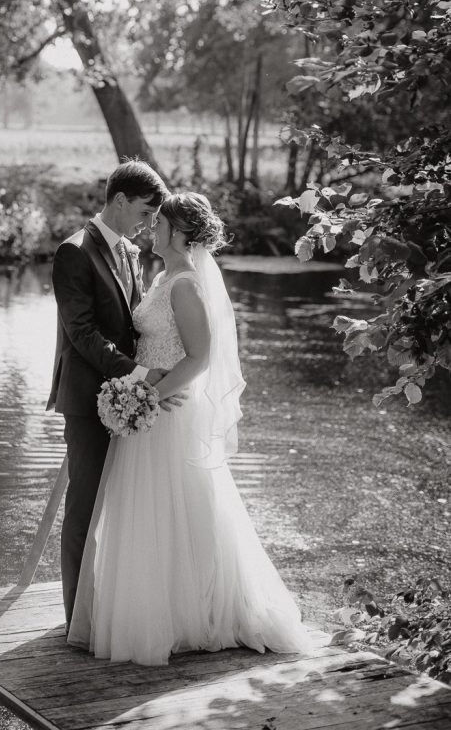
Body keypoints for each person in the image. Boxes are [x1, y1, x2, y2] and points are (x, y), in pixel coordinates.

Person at [68, 192, 314, 665]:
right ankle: (160, 611)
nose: (151, 227)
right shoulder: (163, 277)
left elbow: (200, 357)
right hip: (150, 410)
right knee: (150, 510)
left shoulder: (185, 285)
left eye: (159, 222)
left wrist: (149, 396)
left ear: (180, 233)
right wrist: (141, 395)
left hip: (170, 411)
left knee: (182, 506)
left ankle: (203, 613)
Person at [47, 160, 169, 628]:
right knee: (85, 508)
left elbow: (132, 325)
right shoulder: (74, 252)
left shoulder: (128, 251)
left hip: (128, 400)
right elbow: (81, 332)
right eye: (144, 211)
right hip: (87, 401)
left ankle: (110, 604)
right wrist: (138, 373)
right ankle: (76, 616)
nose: (149, 223)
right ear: (119, 200)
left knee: (122, 505)